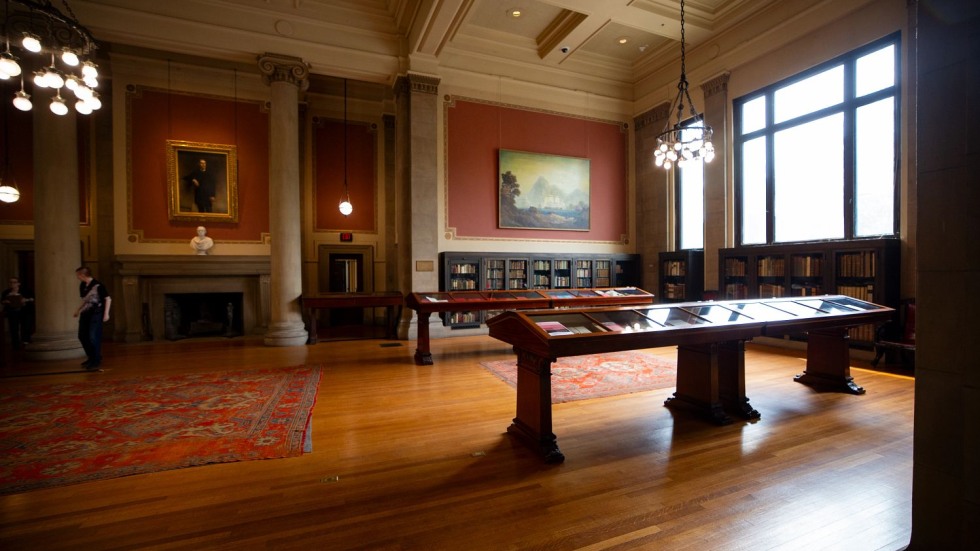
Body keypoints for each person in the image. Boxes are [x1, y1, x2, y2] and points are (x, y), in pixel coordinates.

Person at [74, 266, 111, 371]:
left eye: (78, 275)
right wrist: (78, 310)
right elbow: (86, 300)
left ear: (82, 275)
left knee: (93, 337)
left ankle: (96, 360)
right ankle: (91, 357)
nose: (77, 277)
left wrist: (106, 314)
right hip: (86, 313)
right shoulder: (82, 285)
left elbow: (108, 299)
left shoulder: (98, 285)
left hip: (96, 313)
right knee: (82, 336)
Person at [1, 277, 34, 349]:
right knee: (13, 328)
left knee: (25, 326)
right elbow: (2, 300)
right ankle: (15, 344)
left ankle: (25, 341)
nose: (12, 284)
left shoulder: (25, 291)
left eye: (14, 282)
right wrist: (5, 301)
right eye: (10, 282)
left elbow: (32, 299)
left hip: (24, 311)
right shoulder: (6, 292)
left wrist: (25, 300)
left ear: (19, 283)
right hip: (12, 312)